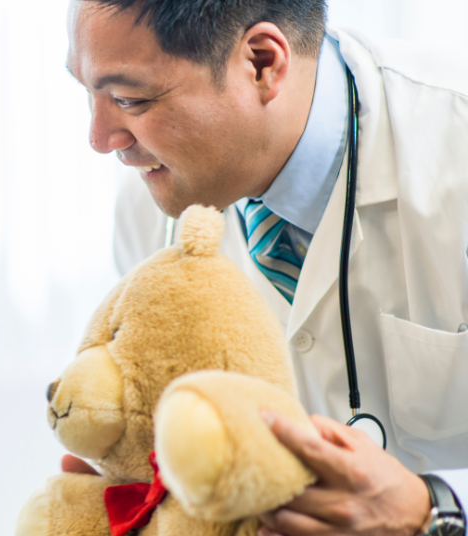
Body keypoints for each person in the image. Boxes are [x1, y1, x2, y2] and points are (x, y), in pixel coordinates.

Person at [63, 1, 468, 536]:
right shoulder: (149, 211)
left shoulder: (453, 147)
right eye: (87, 91)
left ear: (261, 62)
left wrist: (435, 515)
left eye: (129, 99)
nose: (99, 138)